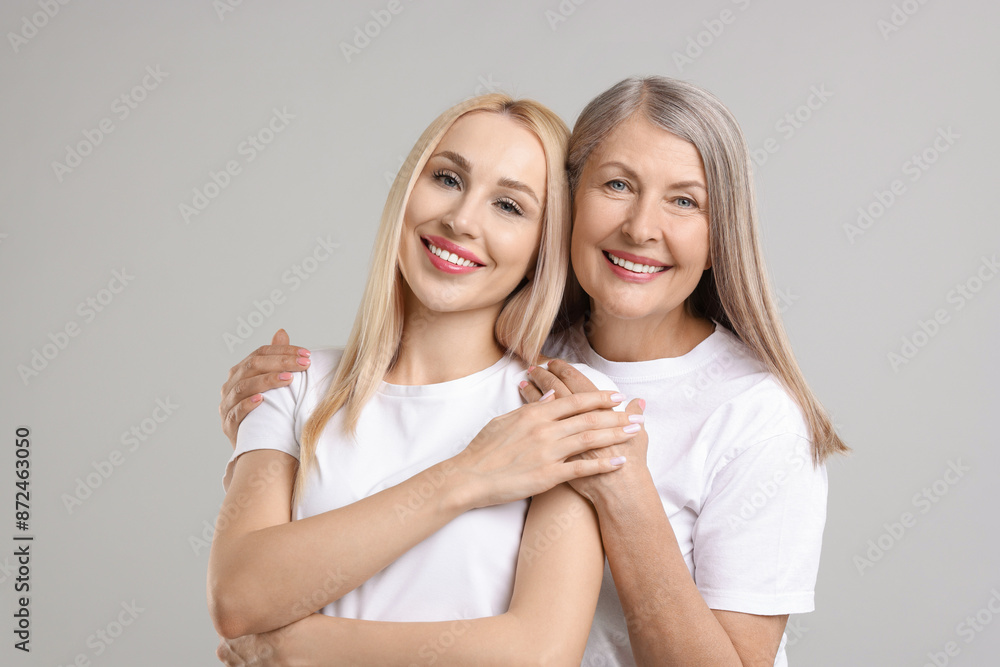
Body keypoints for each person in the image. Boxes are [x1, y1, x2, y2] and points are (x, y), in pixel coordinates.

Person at [219, 76, 846, 666]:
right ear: (570, 211)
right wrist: (278, 425)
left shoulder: (749, 414)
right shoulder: (525, 364)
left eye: (684, 200)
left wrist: (626, 497)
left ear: (720, 237)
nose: (640, 228)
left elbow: (538, 651)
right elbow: (248, 586)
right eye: (617, 185)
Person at [208, 93, 646, 665]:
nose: (461, 220)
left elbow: (539, 654)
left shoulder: (562, 404)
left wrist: (302, 648)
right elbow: (238, 598)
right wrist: (466, 476)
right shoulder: (293, 382)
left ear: (544, 244)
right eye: (447, 178)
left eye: (509, 206)